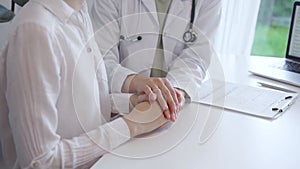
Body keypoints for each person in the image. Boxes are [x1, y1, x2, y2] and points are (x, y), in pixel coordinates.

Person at [0, 0, 170, 168]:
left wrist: (131, 103)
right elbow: (40, 161)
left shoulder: (78, 13)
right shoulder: (36, 29)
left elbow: (74, 107)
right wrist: (130, 126)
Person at [89, 0, 221, 121]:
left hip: (171, 113)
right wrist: (136, 81)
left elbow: (196, 58)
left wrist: (171, 94)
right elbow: (100, 59)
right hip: (118, 109)